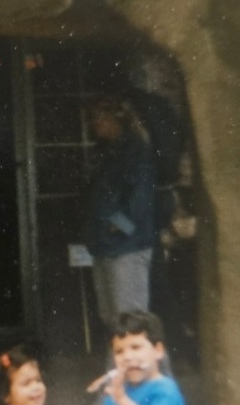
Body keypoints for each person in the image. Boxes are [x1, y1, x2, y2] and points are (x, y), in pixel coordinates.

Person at [84, 96, 157, 330]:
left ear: (114, 120)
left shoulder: (135, 151)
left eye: (98, 118)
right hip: (106, 245)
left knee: (131, 321)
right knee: (111, 319)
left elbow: (140, 198)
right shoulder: (107, 151)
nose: (93, 125)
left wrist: (118, 225)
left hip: (126, 246)